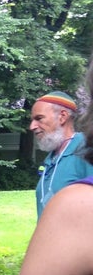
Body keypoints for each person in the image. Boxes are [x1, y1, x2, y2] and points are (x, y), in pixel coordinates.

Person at [30, 90, 93, 219]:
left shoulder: (86, 150)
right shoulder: (50, 159)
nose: (32, 126)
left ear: (62, 116)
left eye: (39, 118)